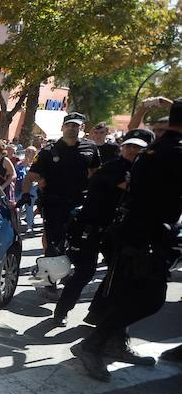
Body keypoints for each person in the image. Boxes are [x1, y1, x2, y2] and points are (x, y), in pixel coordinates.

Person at [71, 99, 182, 380]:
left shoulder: (157, 149)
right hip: (144, 237)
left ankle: (113, 344)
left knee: (124, 293)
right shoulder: (171, 152)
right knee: (150, 299)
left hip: (136, 234)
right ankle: (94, 344)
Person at [51, 132, 149, 329]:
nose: (132, 150)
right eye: (129, 146)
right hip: (92, 227)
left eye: (137, 147)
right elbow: (130, 188)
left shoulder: (138, 169)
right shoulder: (114, 167)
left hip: (115, 229)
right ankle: (61, 310)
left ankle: (97, 312)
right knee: (85, 272)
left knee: (119, 271)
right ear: (122, 148)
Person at [18, 112, 100, 300]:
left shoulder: (91, 148)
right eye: (69, 125)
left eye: (76, 126)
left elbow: (95, 173)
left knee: (77, 246)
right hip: (54, 204)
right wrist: (25, 195)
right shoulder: (49, 151)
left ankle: (64, 274)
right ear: (63, 127)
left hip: (81, 204)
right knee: (54, 245)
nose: (72, 128)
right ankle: (49, 284)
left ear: (82, 128)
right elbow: (31, 177)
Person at [15, 146, 37, 233]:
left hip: (31, 188)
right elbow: (16, 171)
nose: (27, 153)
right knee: (18, 207)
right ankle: (17, 225)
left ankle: (29, 226)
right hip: (20, 188)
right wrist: (21, 165)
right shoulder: (20, 162)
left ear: (34, 154)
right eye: (26, 151)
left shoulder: (36, 163)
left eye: (29, 152)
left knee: (29, 207)